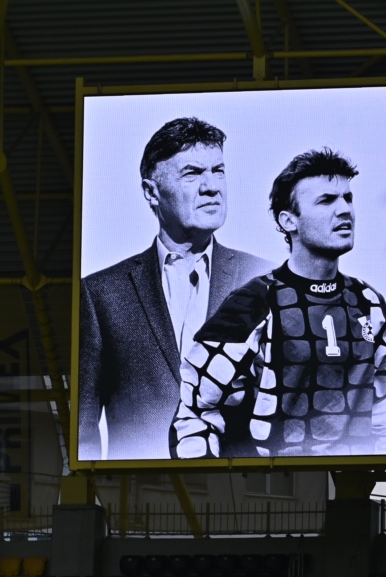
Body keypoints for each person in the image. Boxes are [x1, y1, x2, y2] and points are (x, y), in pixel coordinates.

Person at [170, 148, 386, 459]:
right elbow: (197, 412)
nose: (345, 211)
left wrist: (381, 466)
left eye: (348, 198)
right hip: (273, 483)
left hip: (349, 483)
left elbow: (379, 410)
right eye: (327, 200)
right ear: (288, 221)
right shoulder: (253, 304)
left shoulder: (369, 304)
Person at [78, 117, 271, 460]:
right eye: (192, 173)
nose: (212, 187)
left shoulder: (265, 280)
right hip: (141, 486)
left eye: (218, 171)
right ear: (151, 192)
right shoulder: (102, 294)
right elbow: (83, 428)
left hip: (240, 485)